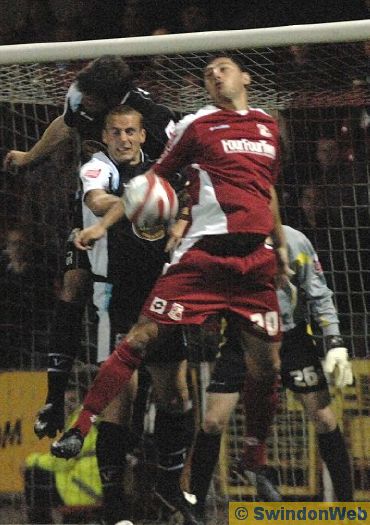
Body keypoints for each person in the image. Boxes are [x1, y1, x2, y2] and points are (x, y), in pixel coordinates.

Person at [52, 56, 290, 525]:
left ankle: (253, 454)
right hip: (202, 256)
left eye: (224, 68)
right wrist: (103, 224)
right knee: (138, 339)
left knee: (267, 367)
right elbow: (153, 179)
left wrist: (279, 243)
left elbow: (267, 189)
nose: (216, 75)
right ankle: (80, 427)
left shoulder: (267, 127)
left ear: (246, 77)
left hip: (255, 263)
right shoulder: (197, 125)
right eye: (208, 72)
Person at [3, 55, 177, 440]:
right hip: (95, 211)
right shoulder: (82, 99)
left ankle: (144, 400)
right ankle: (53, 399)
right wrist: (31, 157)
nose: (84, 101)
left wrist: (173, 213)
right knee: (74, 285)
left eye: (93, 99)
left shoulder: (156, 118)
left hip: (144, 228)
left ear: (117, 101)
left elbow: (186, 166)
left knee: (142, 322)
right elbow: (67, 126)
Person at [49, 104, 191, 524]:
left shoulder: (164, 169)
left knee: (176, 396)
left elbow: (187, 198)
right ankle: (114, 511)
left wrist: (177, 211)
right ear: (106, 136)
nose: (124, 139)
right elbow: (96, 200)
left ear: (144, 135)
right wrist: (141, 202)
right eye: (116, 132)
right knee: (118, 401)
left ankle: (169, 489)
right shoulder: (98, 166)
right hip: (116, 296)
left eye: (131, 131)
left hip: (162, 292)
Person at [190, 225, 354, 521]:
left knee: (325, 419)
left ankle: (348, 510)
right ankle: (196, 510)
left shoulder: (293, 241)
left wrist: (334, 341)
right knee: (212, 421)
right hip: (242, 337)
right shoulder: (225, 239)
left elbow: (318, 292)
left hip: (291, 339)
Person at [24, 367, 102, 524]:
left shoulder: (83, 418)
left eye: (72, 391)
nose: (67, 397)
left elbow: (61, 460)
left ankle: (40, 522)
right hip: (94, 484)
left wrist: (32, 460)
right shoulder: (93, 414)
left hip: (85, 489)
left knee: (34, 473)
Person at [0, 224, 57, 369]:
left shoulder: (39, 274)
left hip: (32, 326)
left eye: (21, 243)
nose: (18, 248)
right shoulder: (3, 273)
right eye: (14, 243)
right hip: (6, 326)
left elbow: (47, 301)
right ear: (7, 247)